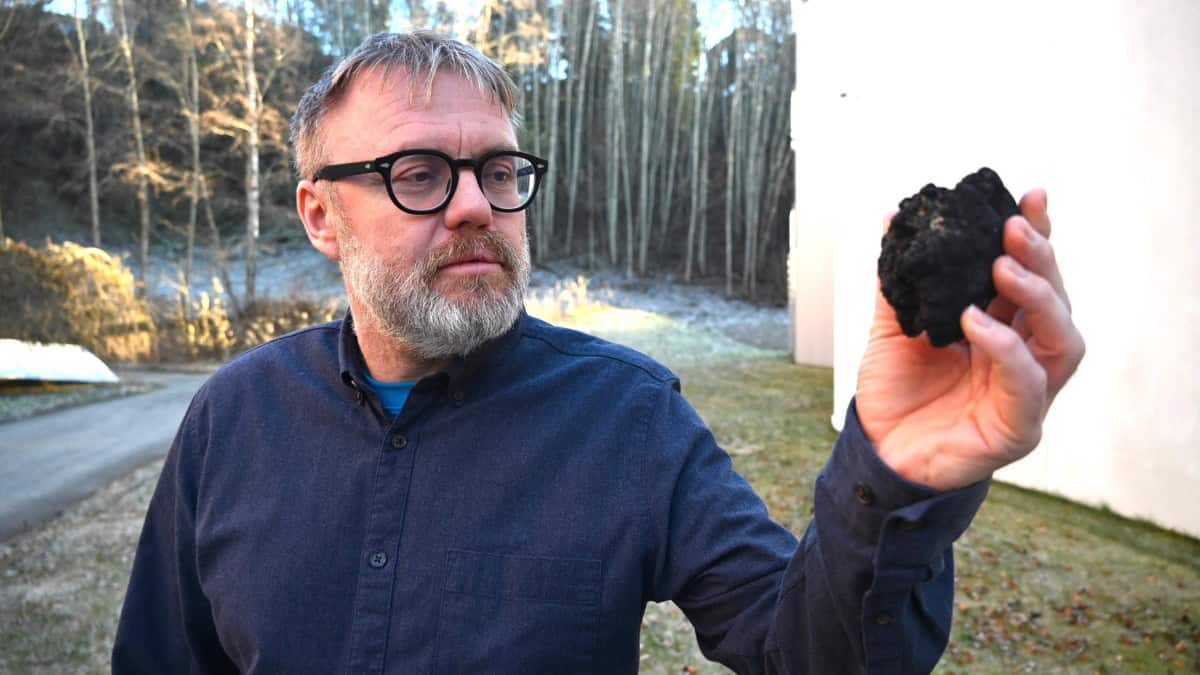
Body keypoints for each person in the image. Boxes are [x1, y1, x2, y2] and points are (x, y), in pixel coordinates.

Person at [112, 31, 1085, 674]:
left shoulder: (629, 416)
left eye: (498, 170)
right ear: (321, 215)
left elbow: (804, 651)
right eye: (417, 174)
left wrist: (897, 478)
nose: (473, 206)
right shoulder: (231, 420)